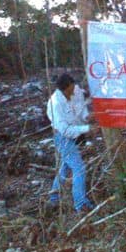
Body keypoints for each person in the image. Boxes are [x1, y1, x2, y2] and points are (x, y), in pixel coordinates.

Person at [46, 73, 95, 212]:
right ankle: (81, 204)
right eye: (70, 89)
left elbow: (81, 110)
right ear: (63, 89)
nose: (74, 91)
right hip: (62, 137)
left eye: (74, 87)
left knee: (65, 166)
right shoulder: (55, 103)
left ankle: (54, 196)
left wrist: (87, 117)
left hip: (77, 134)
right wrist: (87, 129)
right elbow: (65, 130)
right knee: (78, 167)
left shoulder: (77, 91)